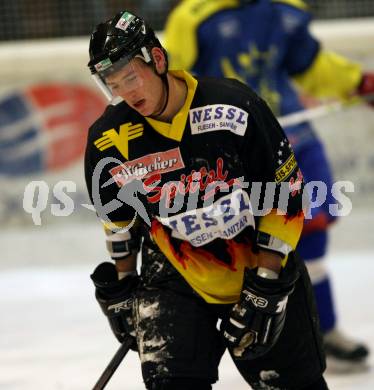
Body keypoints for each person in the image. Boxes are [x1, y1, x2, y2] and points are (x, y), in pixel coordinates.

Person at [85, 10, 329, 389]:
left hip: (258, 263)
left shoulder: (234, 108)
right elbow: (117, 219)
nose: (125, 94)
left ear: (158, 59)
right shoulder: (108, 138)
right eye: (112, 84)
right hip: (174, 273)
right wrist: (123, 281)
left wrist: (266, 281)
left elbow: (286, 197)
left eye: (130, 77)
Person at [164, 0, 374, 370]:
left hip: (295, 139)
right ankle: (264, 334)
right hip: (235, 150)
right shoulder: (192, 18)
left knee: (311, 233)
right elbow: (175, 84)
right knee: (253, 245)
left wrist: (356, 82)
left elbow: (310, 65)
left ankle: (322, 329)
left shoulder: (285, 8)